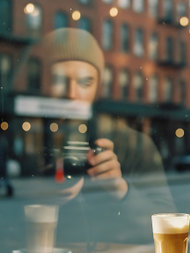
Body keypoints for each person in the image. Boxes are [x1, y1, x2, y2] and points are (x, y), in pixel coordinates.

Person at [1, 28, 175, 251]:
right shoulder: (22, 139)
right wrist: (32, 194)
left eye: (85, 83)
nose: (72, 93)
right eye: (58, 79)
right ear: (41, 81)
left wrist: (121, 189)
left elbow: (168, 225)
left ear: (98, 86)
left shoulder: (132, 143)